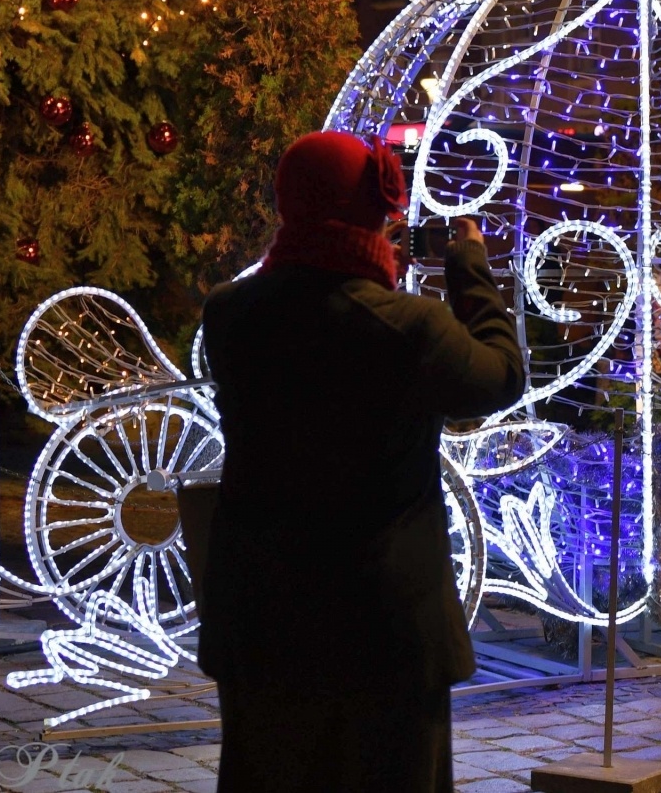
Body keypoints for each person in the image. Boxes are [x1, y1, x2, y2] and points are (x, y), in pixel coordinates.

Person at [199, 131, 525, 793]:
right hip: (386, 631)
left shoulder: (230, 315)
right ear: (375, 213)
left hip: (264, 623)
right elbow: (500, 376)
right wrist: (468, 264)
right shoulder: (411, 327)